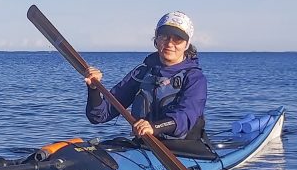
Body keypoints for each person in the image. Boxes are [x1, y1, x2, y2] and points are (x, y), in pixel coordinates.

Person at [84, 11, 209, 149]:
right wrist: (94, 89)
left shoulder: (195, 78)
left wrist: (154, 127)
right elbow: (99, 116)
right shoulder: (142, 72)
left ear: (186, 45)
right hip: (145, 146)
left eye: (177, 39)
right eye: (164, 36)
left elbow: (186, 115)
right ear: (156, 39)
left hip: (184, 149)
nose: (169, 44)